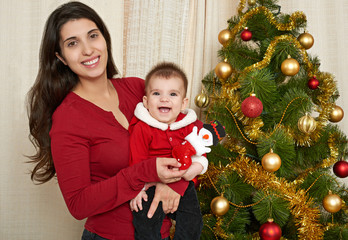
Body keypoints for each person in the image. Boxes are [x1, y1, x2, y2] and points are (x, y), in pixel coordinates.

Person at [26, 2, 186, 240]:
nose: (88, 50)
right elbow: (78, 204)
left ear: (105, 38)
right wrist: (143, 173)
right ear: (60, 57)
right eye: (73, 43)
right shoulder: (69, 118)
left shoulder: (137, 88)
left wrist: (174, 185)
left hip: (162, 234)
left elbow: (189, 136)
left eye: (93, 36)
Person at [128, 62, 225, 240]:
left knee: (193, 221)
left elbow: (199, 151)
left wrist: (196, 167)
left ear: (183, 103)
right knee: (146, 219)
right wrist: (137, 190)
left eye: (172, 94)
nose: (164, 99)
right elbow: (137, 161)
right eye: (156, 93)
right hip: (151, 183)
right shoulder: (142, 128)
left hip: (181, 183)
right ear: (146, 101)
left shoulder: (187, 126)